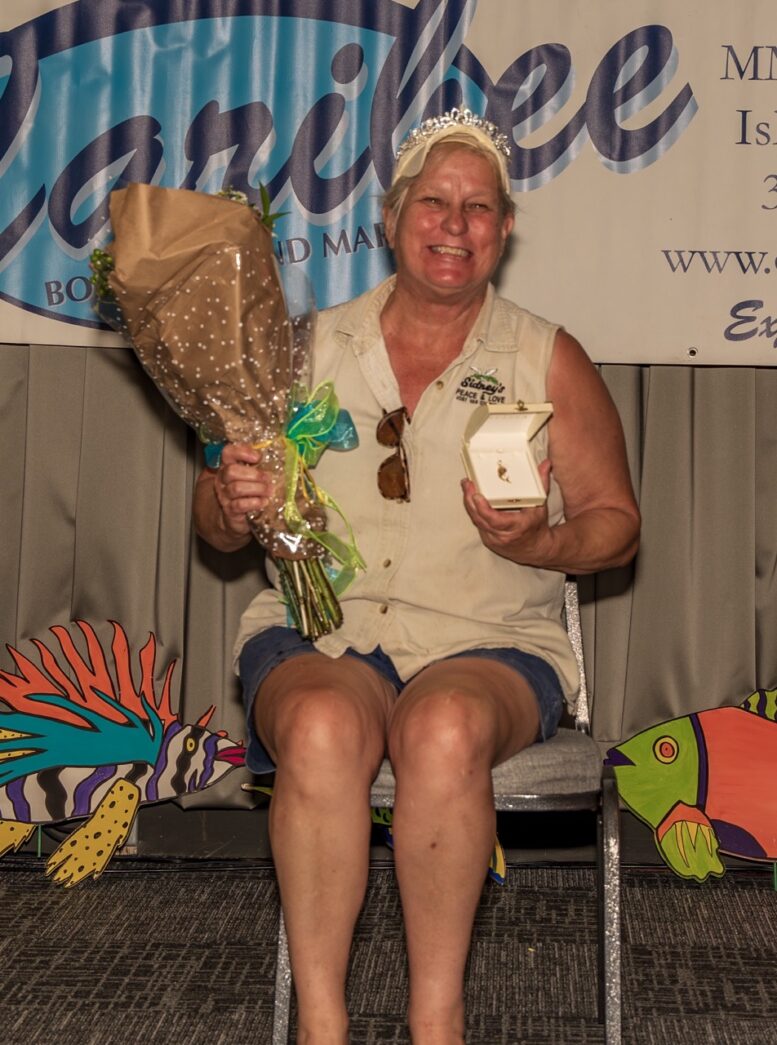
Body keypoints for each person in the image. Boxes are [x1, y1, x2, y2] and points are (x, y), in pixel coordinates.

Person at [193, 108, 640, 1045]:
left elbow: (616, 530)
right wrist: (234, 501)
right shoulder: (308, 345)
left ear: (504, 230)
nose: (454, 223)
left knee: (438, 729)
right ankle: (324, 1026)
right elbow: (213, 521)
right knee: (318, 723)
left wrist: (539, 543)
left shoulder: (546, 356)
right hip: (324, 637)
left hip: (490, 646)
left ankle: (437, 1024)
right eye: (433, 202)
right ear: (392, 218)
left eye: (478, 208)